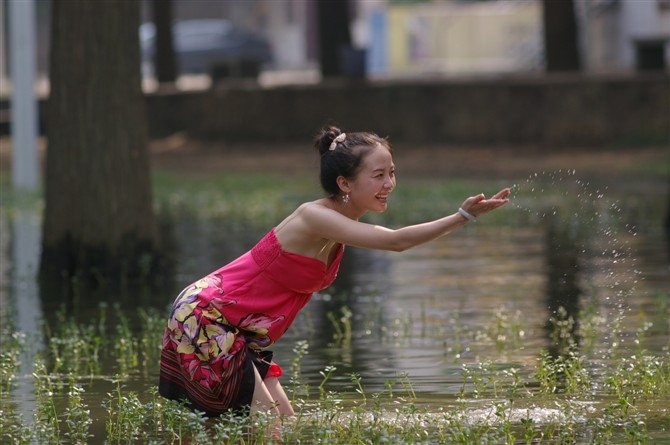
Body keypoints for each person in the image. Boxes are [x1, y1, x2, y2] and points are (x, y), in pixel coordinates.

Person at [159, 125, 510, 417]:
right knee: (262, 423)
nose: (389, 184)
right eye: (378, 176)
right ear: (344, 183)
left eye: (392, 173)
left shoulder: (339, 223)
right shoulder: (314, 217)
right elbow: (396, 242)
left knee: (283, 422)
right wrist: (462, 216)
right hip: (207, 315)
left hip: (238, 327)